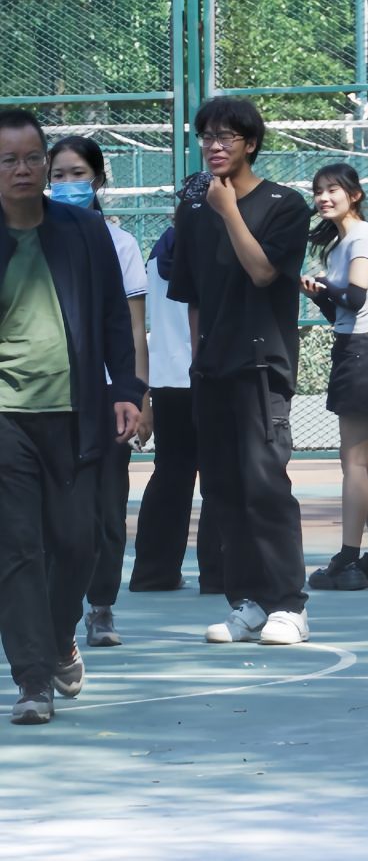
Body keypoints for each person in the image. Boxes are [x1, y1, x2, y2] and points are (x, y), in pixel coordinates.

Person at [0, 109, 142, 725]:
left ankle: (60, 638)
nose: (23, 169)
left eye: (32, 157)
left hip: (77, 412)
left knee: (78, 542)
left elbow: (114, 314)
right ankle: (33, 681)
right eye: (8, 160)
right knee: (18, 549)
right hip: (6, 417)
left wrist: (127, 388)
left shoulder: (83, 231)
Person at [168, 98, 314, 648]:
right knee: (223, 490)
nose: (214, 145)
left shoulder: (284, 205)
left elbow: (262, 272)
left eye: (226, 136)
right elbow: (192, 297)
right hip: (212, 370)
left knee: (264, 485)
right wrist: (197, 360)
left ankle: (289, 604)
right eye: (207, 136)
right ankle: (247, 602)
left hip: (261, 367)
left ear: (250, 143)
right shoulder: (193, 210)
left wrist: (228, 209)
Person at [47, 136, 150, 649]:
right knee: (55, 512)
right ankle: (54, 612)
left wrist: (138, 395)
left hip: (107, 397)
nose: (68, 184)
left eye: (77, 174)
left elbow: (132, 328)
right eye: (58, 175)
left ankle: (101, 605)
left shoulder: (119, 243)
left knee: (107, 509)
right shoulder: (32, 239)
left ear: (98, 180)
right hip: (49, 397)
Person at [300, 164, 368, 592]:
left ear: (354, 194)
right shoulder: (341, 243)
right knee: (363, 460)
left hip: (365, 353)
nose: (324, 197)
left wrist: (323, 286)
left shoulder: (362, 237)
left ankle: (348, 559)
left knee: (353, 461)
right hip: (355, 350)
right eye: (318, 190)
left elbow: (355, 298)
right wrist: (318, 294)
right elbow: (340, 310)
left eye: (333, 190)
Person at [128, 209, 223, 596]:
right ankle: (218, 574)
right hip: (209, 375)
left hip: (167, 378)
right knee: (219, 476)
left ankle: (154, 572)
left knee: (170, 475)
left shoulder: (158, 254)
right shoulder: (213, 249)